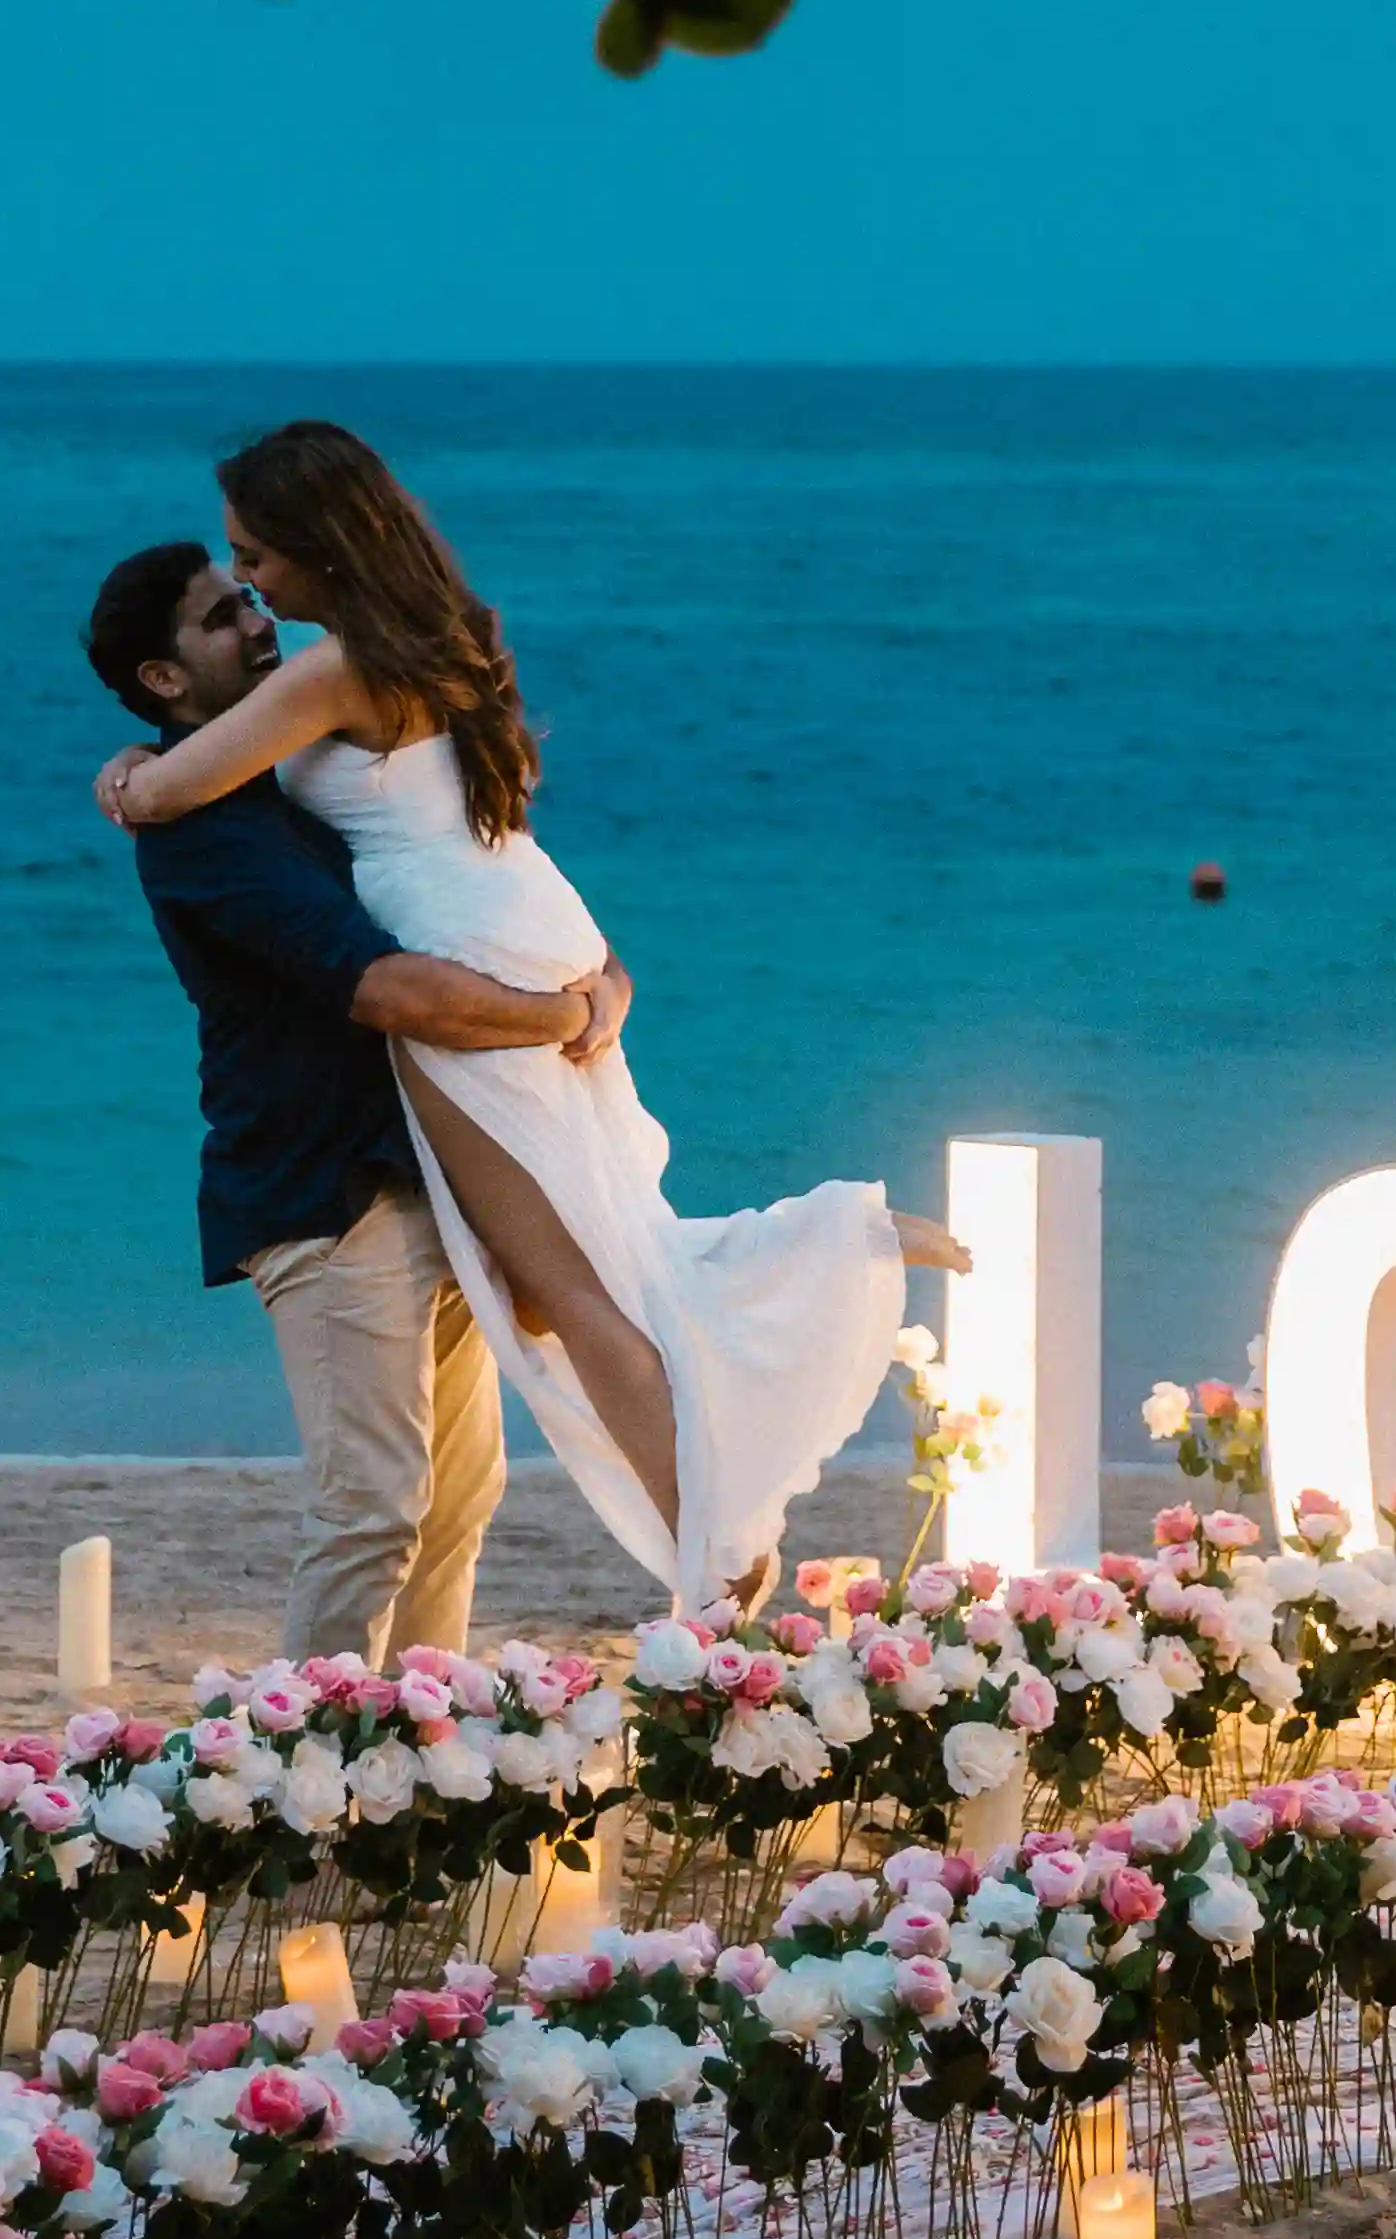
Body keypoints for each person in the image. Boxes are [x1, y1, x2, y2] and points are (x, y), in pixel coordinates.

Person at [96, 423, 960, 1617]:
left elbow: (173, 787)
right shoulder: (445, 634)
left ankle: (714, 1559)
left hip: (464, 960)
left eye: (256, 561)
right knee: (598, 1258)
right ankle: (797, 1301)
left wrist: (121, 776)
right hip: (527, 914)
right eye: (233, 581)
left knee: (573, 1288)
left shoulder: (332, 670)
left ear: (319, 542)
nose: (255, 591)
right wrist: (588, 981)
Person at [84, 539, 629, 1664]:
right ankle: (308, 1755)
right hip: (321, 1194)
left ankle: (423, 1750)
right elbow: (383, 987)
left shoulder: (295, 762)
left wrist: (593, 976)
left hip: (428, 1170)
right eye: (219, 617)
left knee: (455, 1504)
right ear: (164, 679)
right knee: (370, 1510)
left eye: (249, 596)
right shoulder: (203, 833)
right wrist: (560, 1015)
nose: (256, 621)